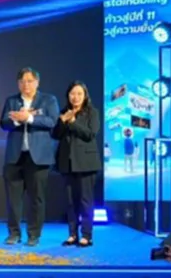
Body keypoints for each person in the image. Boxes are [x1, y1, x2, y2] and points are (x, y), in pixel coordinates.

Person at [0, 67, 59, 247]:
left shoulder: (48, 100)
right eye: (22, 81)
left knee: (36, 198)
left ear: (37, 82)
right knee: (13, 199)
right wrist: (17, 120)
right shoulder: (12, 100)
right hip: (15, 157)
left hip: (38, 158)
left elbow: (52, 121)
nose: (26, 84)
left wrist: (30, 118)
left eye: (30, 81)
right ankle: (14, 233)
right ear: (18, 84)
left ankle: (34, 234)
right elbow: (3, 123)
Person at [52, 81, 101, 247]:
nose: (75, 97)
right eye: (72, 93)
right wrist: (62, 121)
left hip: (86, 163)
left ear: (85, 95)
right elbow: (55, 135)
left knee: (86, 200)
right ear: (68, 95)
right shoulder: (63, 112)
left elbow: (90, 134)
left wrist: (72, 122)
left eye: (79, 93)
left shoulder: (92, 112)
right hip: (67, 162)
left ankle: (87, 235)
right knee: (70, 201)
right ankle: (72, 234)